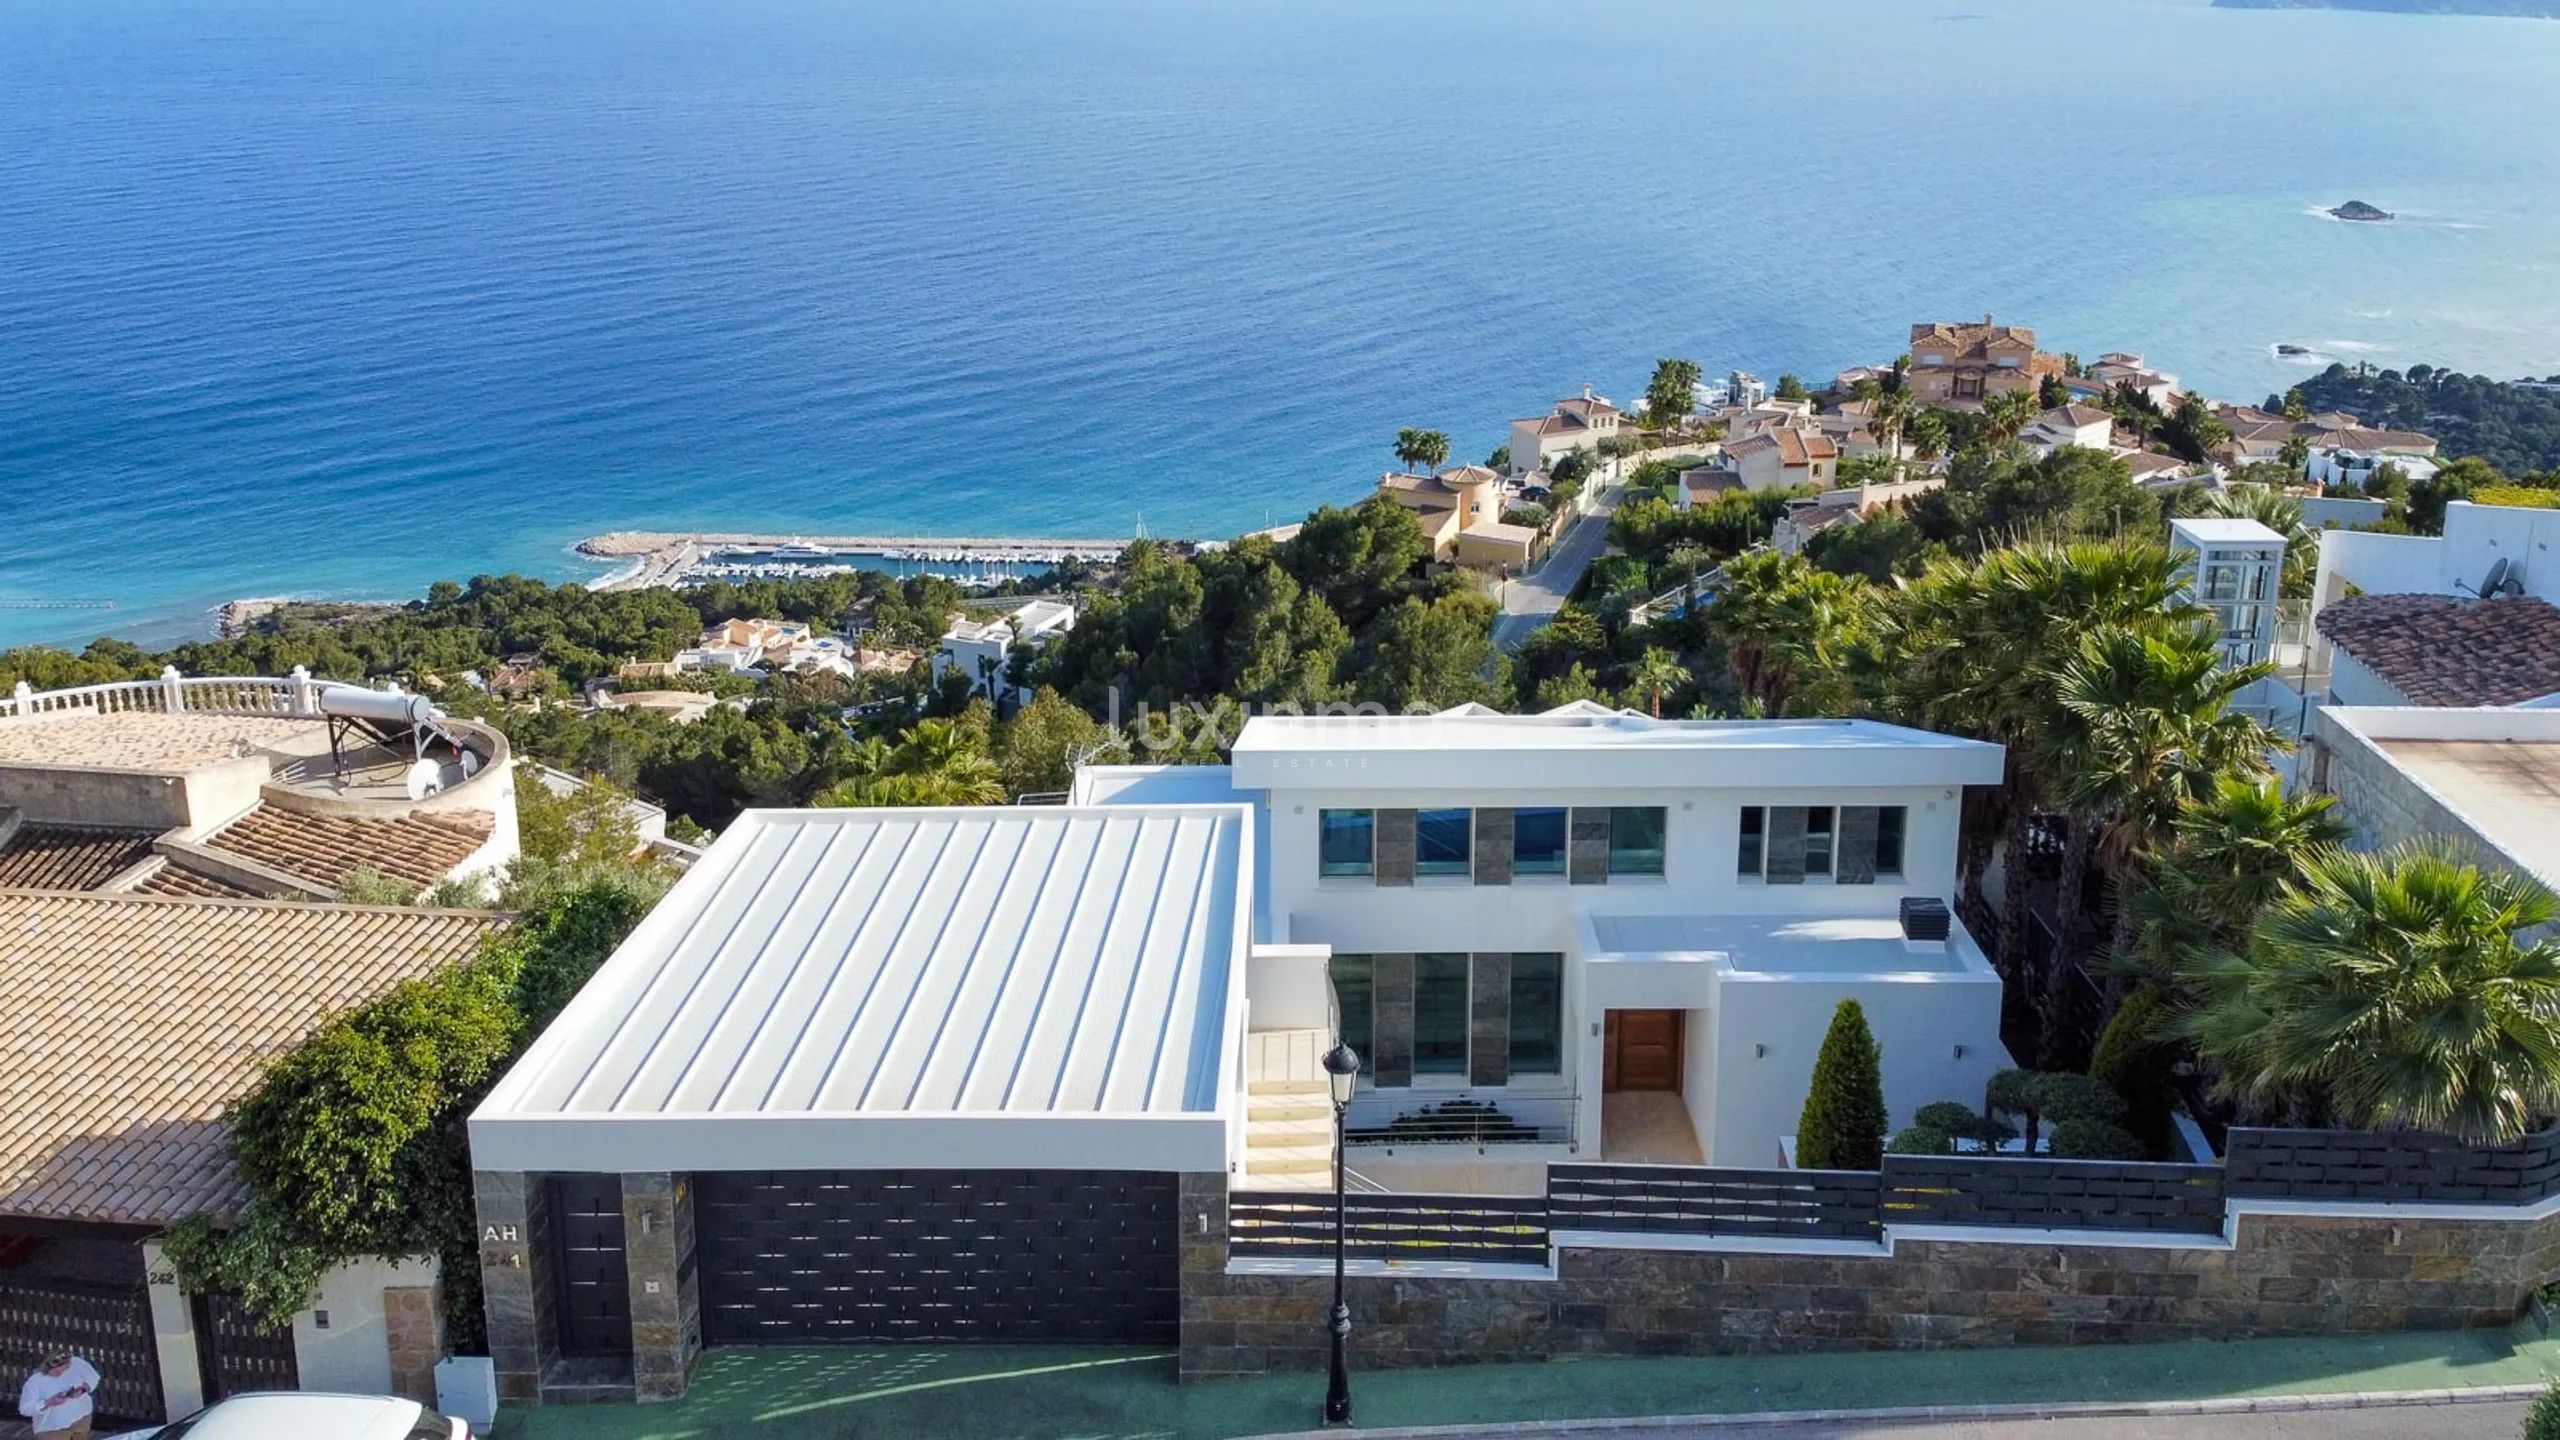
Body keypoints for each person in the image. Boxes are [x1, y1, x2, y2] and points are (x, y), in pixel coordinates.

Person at [17, 1351, 100, 1440]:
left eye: (64, 1370)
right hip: (53, 1429)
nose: (60, 1374)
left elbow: (93, 1377)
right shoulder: (35, 1382)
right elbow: (24, 1409)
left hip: (81, 1419)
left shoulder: (77, 1363)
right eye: (56, 1372)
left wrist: (83, 1389)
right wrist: (49, 1402)